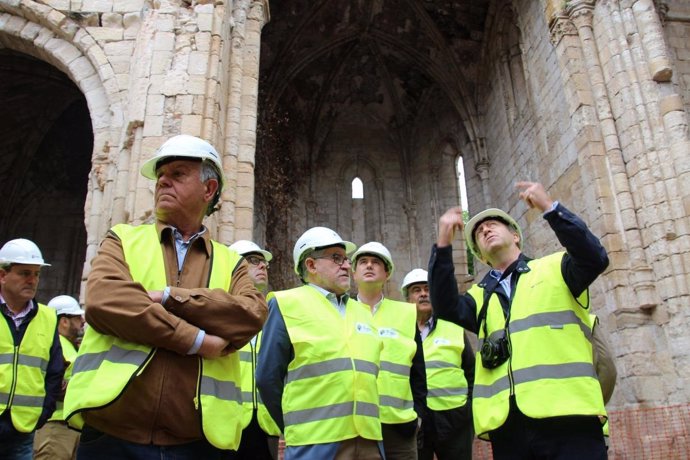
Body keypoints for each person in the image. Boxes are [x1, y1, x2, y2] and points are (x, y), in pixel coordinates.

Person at [63, 134, 268, 459]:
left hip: (197, 444)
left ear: (209, 189)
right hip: (111, 436)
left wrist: (170, 297)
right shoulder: (123, 239)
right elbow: (104, 302)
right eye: (160, 176)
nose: (163, 182)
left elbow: (250, 315)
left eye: (177, 174)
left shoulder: (232, 262)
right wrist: (197, 339)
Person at [428, 181, 609, 459]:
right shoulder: (479, 297)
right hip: (509, 428)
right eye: (478, 232)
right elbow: (443, 305)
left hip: (570, 418)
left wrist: (551, 209)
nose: (485, 229)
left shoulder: (557, 268)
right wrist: (442, 245)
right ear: (480, 256)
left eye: (492, 224)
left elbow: (594, 257)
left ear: (515, 236)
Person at [256, 227, 384, 459]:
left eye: (345, 259)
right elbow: (267, 378)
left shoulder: (362, 311)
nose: (346, 265)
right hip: (314, 443)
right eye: (336, 258)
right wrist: (294, 426)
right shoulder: (286, 303)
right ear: (311, 265)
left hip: (369, 440)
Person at [351, 242, 427, 460]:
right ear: (354, 274)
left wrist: (418, 415)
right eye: (363, 262)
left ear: (387, 274)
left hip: (399, 426)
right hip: (355, 425)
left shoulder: (405, 313)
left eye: (376, 262)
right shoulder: (341, 311)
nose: (369, 266)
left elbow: (418, 371)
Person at [400, 269, 474, 460]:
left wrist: (468, 410)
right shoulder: (399, 332)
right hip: (416, 419)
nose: (423, 294)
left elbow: (471, 371)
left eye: (428, 289)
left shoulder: (454, 326)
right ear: (407, 299)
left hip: (454, 420)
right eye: (417, 290)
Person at [0, 238, 64, 460]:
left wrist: (43, 413)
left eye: (36, 274)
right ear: (2, 275)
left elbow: (55, 371)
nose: (32, 280)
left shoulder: (47, 317)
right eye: (25, 273)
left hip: (23, 430)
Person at [228, 240, 281, 460]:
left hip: (267, 427)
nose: (263, 266)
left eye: (264, 263)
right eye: (253, 261)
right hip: (228, 426)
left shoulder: (276, 315)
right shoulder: (217, 313)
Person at [34, 295, 85, 460]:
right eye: (77, 317)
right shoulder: (58, 346)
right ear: (64, 321)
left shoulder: (68, 346)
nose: (82, 321)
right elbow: (55, 385)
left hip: (67, 427)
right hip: (55, 428)